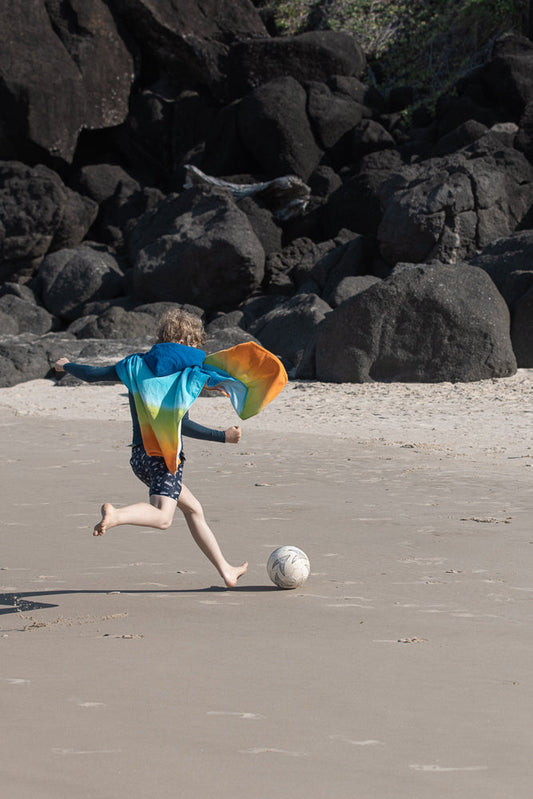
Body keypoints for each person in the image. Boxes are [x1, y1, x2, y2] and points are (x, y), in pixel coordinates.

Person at [55, 309, 248, 588]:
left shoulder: (135, 365)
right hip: (164, 459)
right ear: (188, 341)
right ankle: (116, 515)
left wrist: (67, 365)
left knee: (194, 509)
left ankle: (226, 570)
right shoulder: (187, 374)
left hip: (139, 457)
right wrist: (223, 436)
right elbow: (184, 425)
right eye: (196, 342)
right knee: (162, 517)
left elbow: (94, 374)